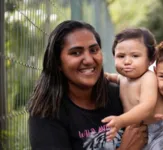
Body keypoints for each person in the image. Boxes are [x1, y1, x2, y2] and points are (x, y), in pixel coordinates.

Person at [27, 20, 148, 150]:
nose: (89, 60)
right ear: (57, 63)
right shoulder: (46, 114)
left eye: (94, 50)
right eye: (76, 53)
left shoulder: (119, 94)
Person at [102, 28, 158, 141]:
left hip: (156, 132)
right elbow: (115, 77)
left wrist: (121, 120)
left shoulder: (148, 77)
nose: (127, 61)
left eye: (135, 56)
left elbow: (146, 107)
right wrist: (104, 76)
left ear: (151, 59)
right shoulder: (123, 78)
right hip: (134, 130)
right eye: (121, 56)